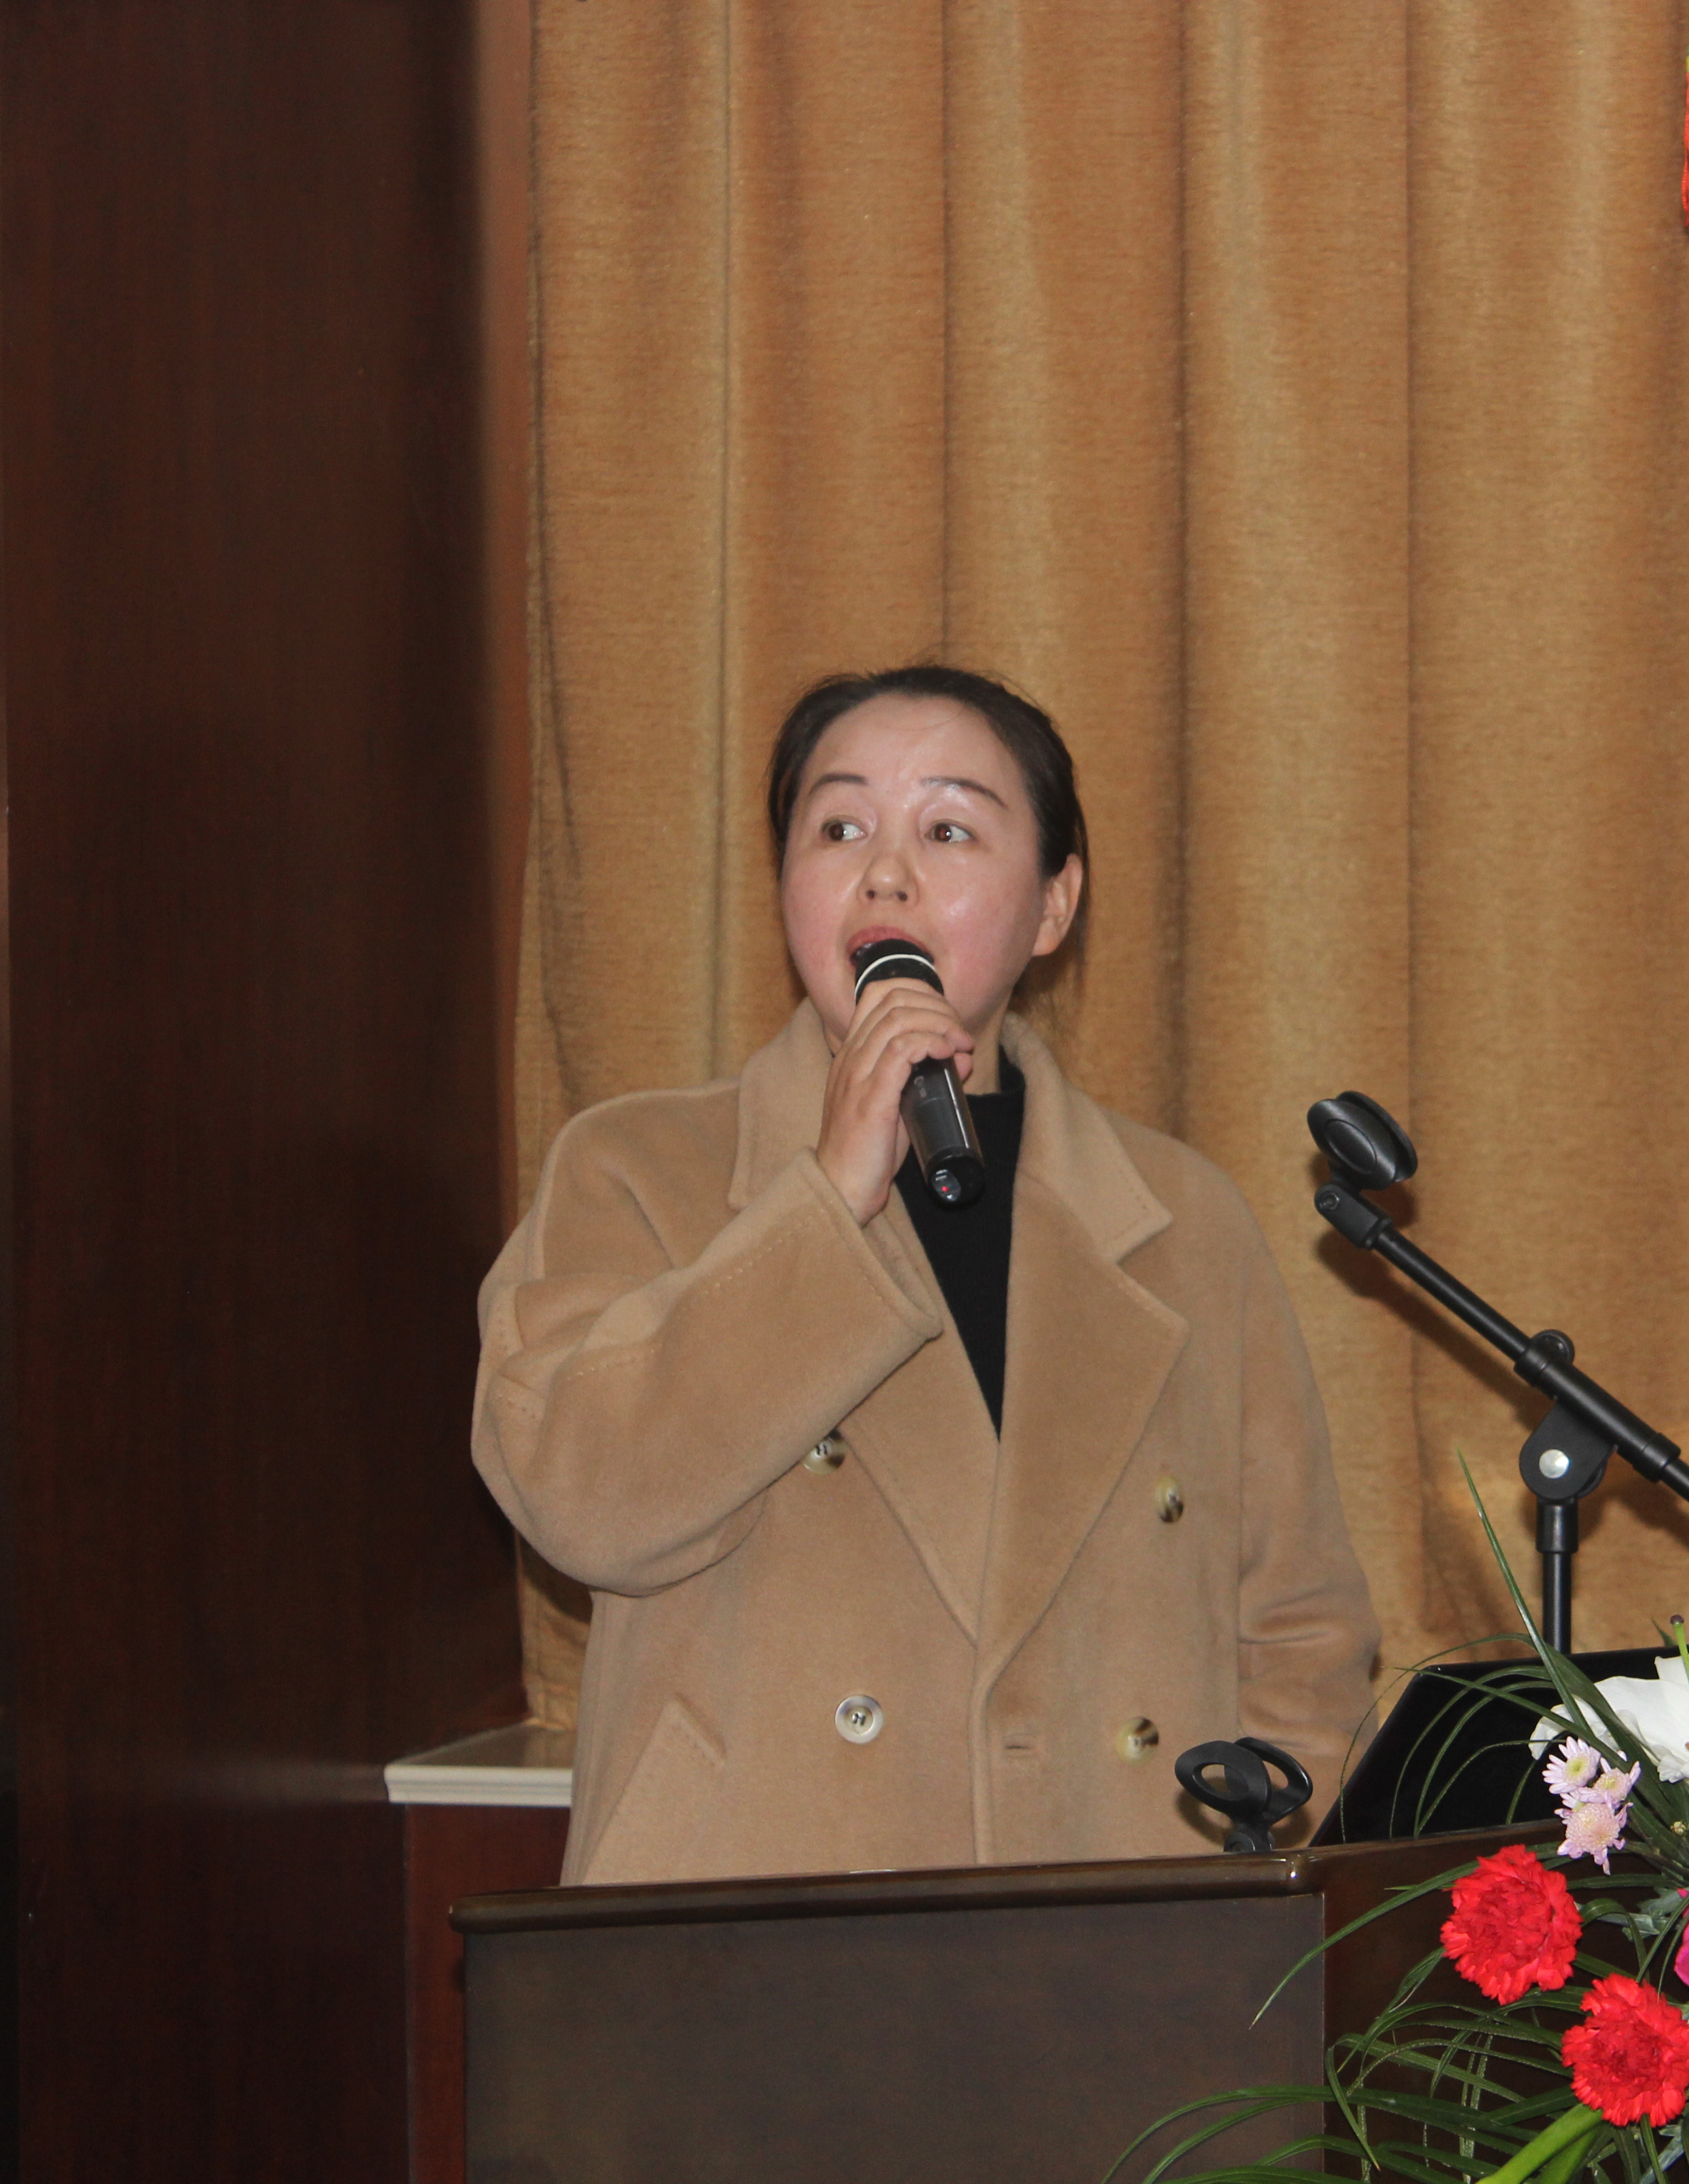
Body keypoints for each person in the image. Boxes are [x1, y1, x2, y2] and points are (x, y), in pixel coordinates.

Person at [473, 665, 1379, 1885]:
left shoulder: (1183, 1220)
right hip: (755, 1935)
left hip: (1123, 1932)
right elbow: (580, 1500)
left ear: (1054, 905)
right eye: (839, 828)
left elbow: (1302, 1629)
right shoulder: (637, 1169)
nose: (885, 875)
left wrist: (1238, 1885)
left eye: (948, 830)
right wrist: (824, 1202)